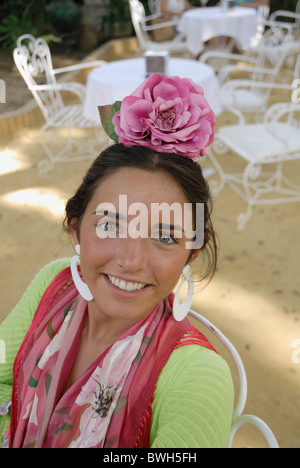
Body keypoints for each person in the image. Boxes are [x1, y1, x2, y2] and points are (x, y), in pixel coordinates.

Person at [0, 74, 234, 448]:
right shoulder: (52, 284)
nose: (130, 260)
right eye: (111, 224)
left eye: (164, 237)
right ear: (75, 230)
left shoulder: (198, 376)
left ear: (190, 254)